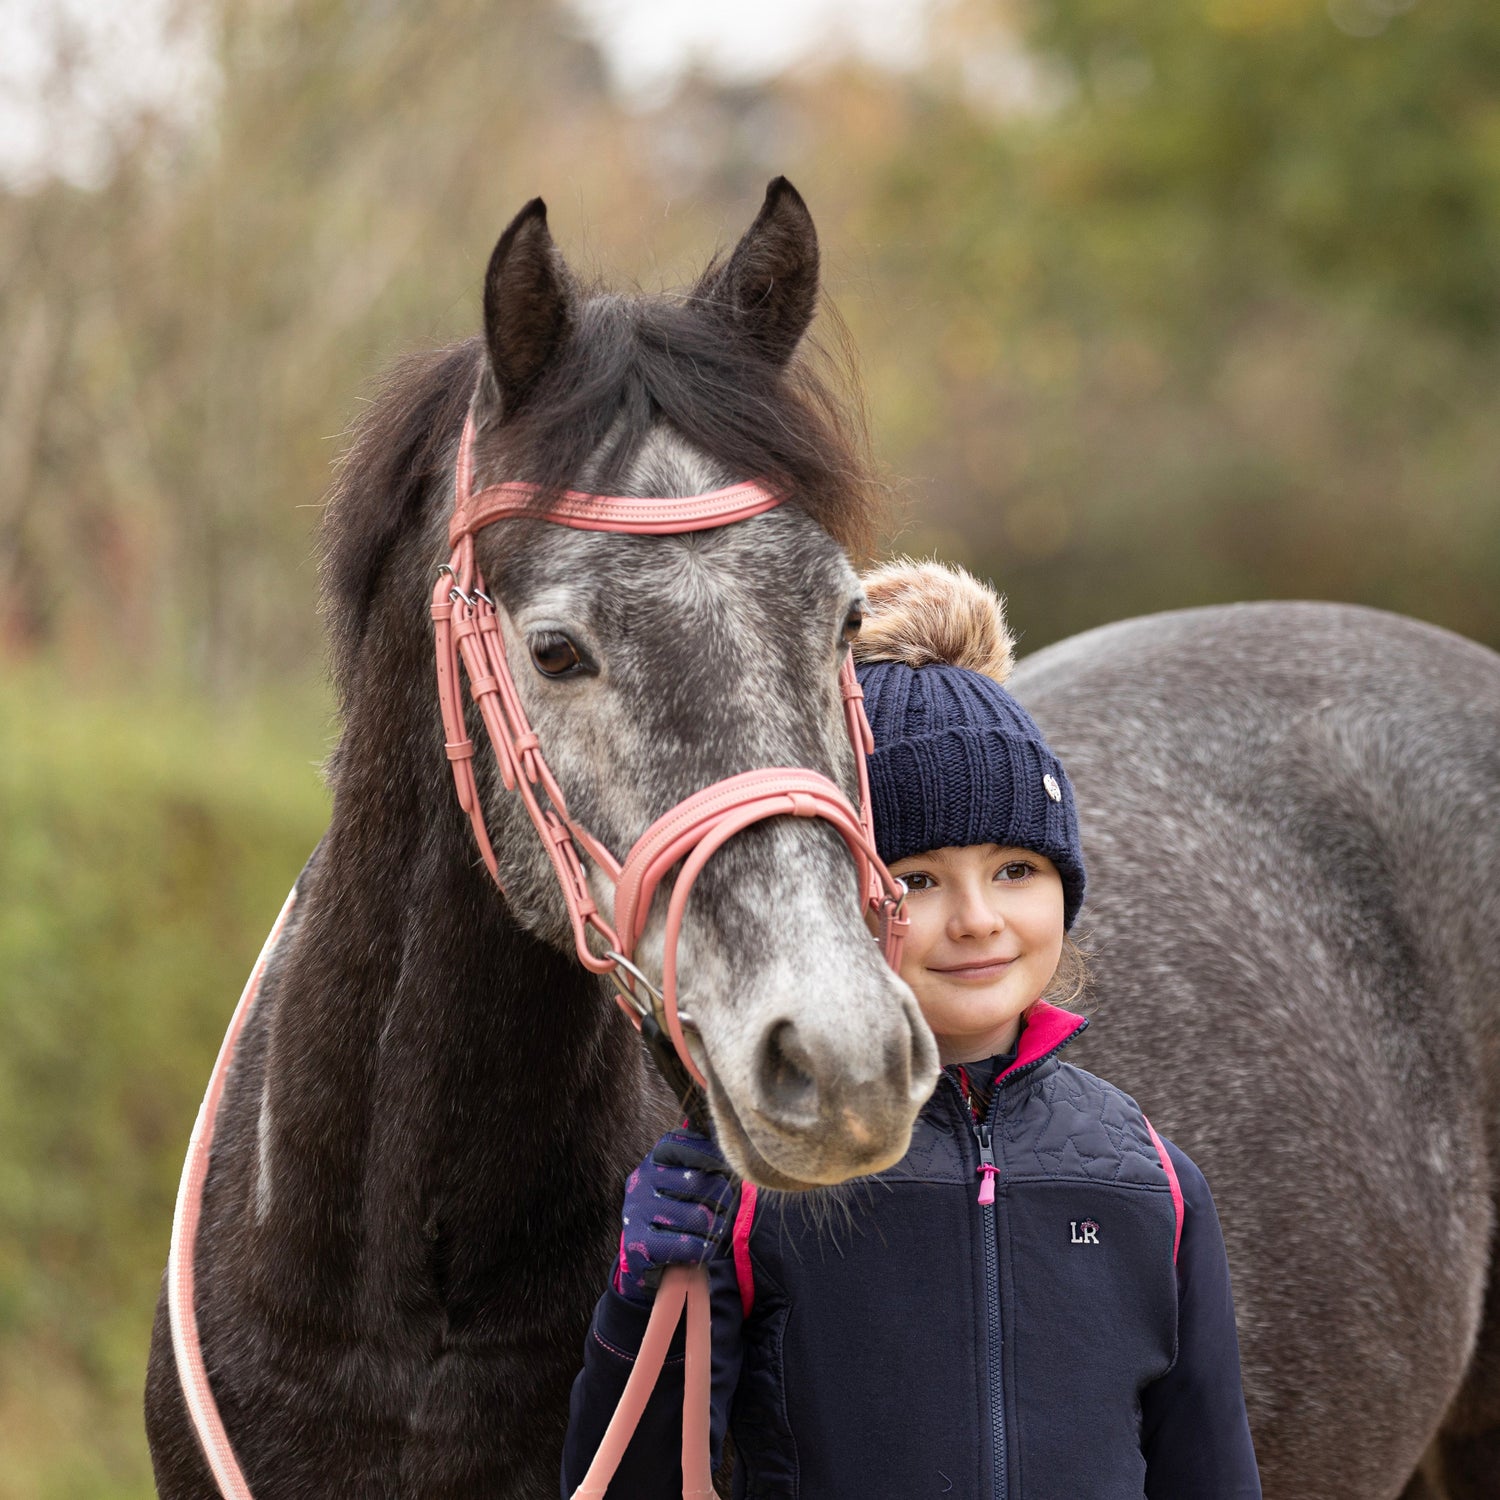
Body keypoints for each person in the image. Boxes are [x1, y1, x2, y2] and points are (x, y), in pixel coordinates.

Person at [561, 560, 1262, 1499]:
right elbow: (625, 1484)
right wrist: (639, 1303)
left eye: (1017, 869)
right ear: (837, 901)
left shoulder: (1157, 1185)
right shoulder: (753, 1187)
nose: (978, 919)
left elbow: (1211, 1476)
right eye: (919, 879)